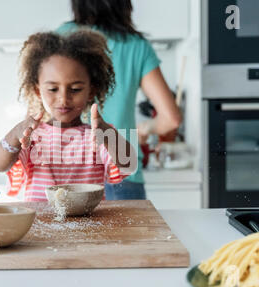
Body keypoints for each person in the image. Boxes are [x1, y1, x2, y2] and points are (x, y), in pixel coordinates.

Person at [56, 0, 182, 200]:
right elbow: (171, 119)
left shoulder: (61, 37)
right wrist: (144, 129)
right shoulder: (137, 46)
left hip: (70, 170)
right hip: (124, 172)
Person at [0, 30, 137, 201]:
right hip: (41, 225)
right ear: (38, 91)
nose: (63, 99)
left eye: (75, 89)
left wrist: (107, 133)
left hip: (90, 226)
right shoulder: (32, 135)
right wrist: (16, 134)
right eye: (53, 89)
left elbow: (129, 164)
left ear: (91, 91)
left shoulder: (98, 136)